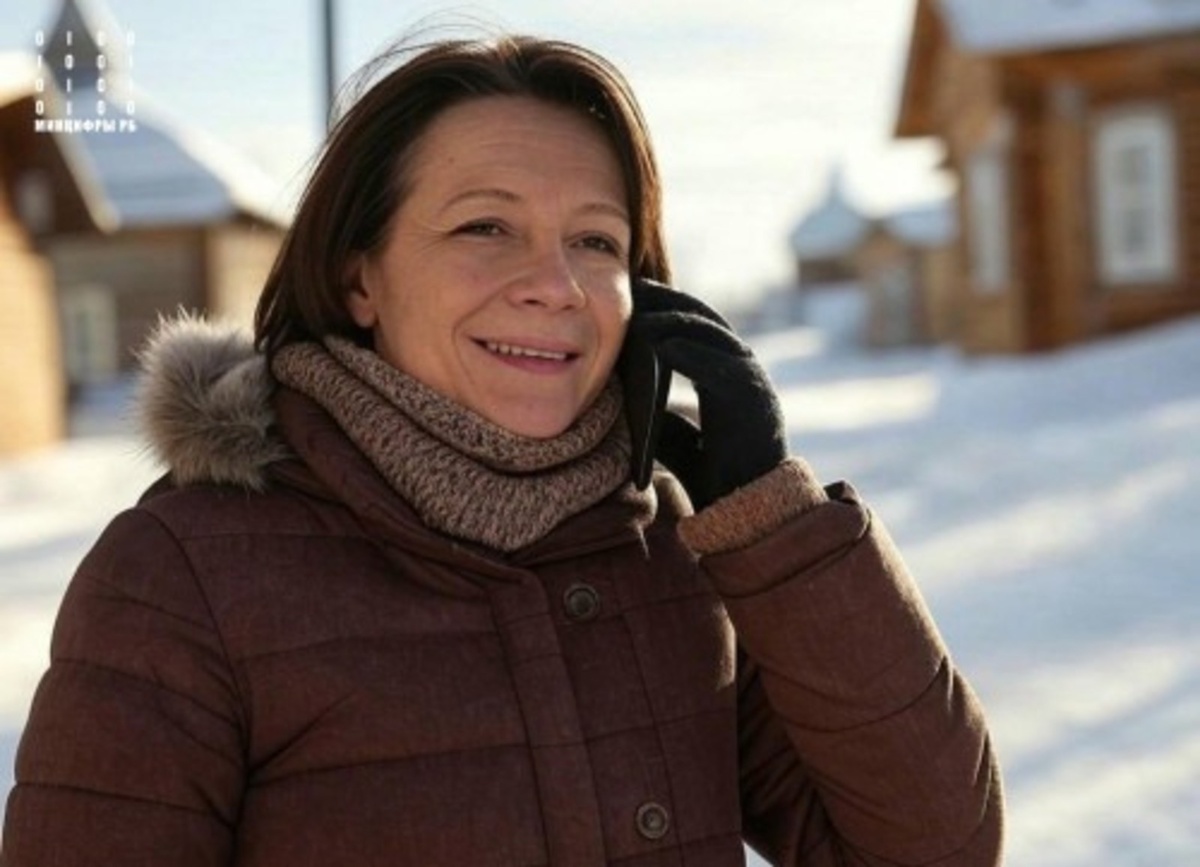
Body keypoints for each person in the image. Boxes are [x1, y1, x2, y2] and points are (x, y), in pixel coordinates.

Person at [2, 32, 1003, 866]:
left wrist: (777, 525)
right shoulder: (186, 576)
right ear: (359, 278)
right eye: (486, 227)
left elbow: (931, 851)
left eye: (596, 241)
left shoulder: (678, 551)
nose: (556, 286)